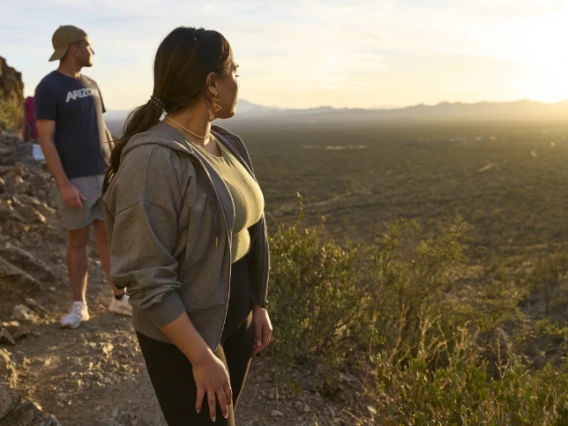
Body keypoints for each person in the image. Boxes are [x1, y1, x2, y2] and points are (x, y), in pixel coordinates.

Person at [102, 27, 272, 425]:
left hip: (238, 316)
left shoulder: (226, 142)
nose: (237, 81)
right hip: (187, 336)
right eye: (232, 71)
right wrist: (199, 356)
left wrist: (258, 305)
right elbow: (146, 277)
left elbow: (250, 227)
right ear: (212, 84)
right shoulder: (152, 161)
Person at [35, 25, 132, 329]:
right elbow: (46, 140)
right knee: (77, 240)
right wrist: (64, 184)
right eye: (89, 46)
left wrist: (118, 162)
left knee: (107, 237)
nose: (93, 52)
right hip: (74, 179)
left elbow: (101, 128)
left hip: (104, 175)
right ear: (74, 49)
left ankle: (119, 299)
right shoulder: (48, 87)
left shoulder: (91, 83)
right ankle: (79, 306)